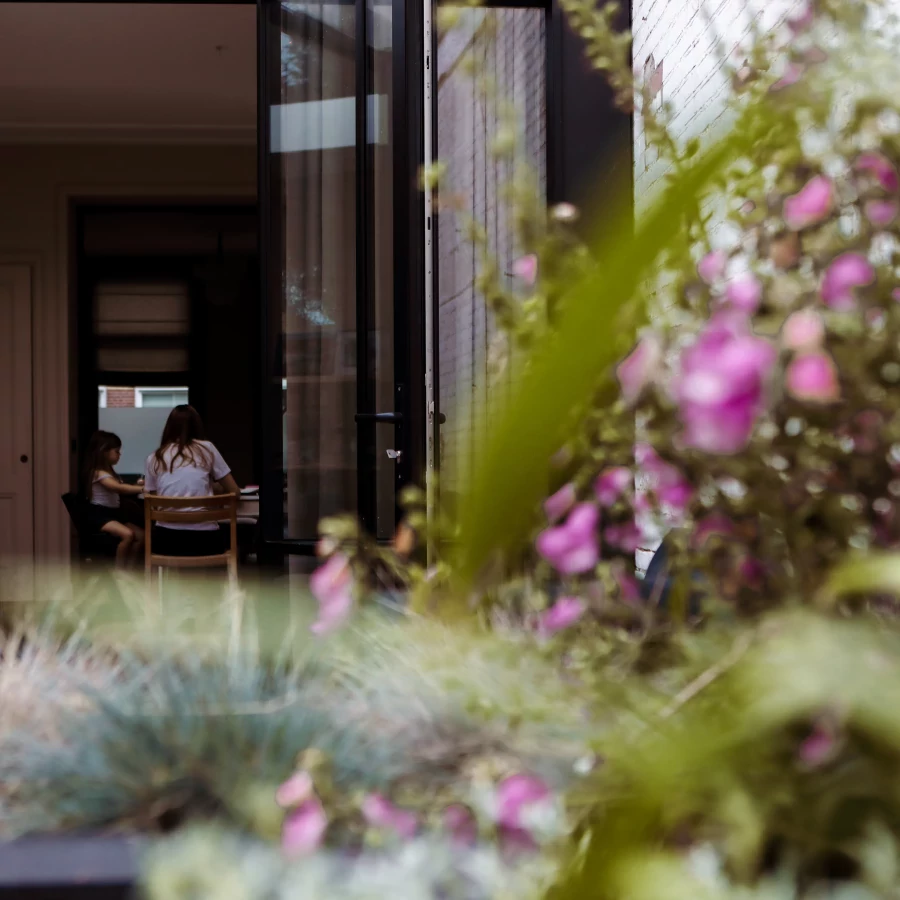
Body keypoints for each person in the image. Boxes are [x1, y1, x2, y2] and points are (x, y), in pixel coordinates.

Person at [143, 405, 241, 557]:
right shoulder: (207, 448)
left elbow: (156, 502)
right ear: (197, 426)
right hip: (204, 540)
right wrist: (214, 489)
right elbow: (235, 491)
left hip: (165, 540)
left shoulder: (155, 457)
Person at [81, 430, 145, 567]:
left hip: (112, 515)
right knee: (128, 535)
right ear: (104, 451)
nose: (119, 455)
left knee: (141, 535)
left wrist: (138, 484)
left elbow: (121, 486)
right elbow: (118, 488)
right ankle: (119, 571)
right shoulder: (97, 473)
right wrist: (142, 489)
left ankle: (129, 568)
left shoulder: (109, 472)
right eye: (116, 451)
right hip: (99, 515)